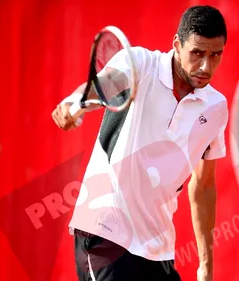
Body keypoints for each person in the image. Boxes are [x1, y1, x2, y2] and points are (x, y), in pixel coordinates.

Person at [51, 5, 228, 281]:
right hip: (105, 233)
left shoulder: (216, 107)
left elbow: (203, 186)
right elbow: (104, 84)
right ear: (177, 45)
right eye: (197, 53)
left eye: (215, 55)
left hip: (158, 248)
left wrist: (206, 264)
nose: (206, 66)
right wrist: (74, 104)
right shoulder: (140, 64)